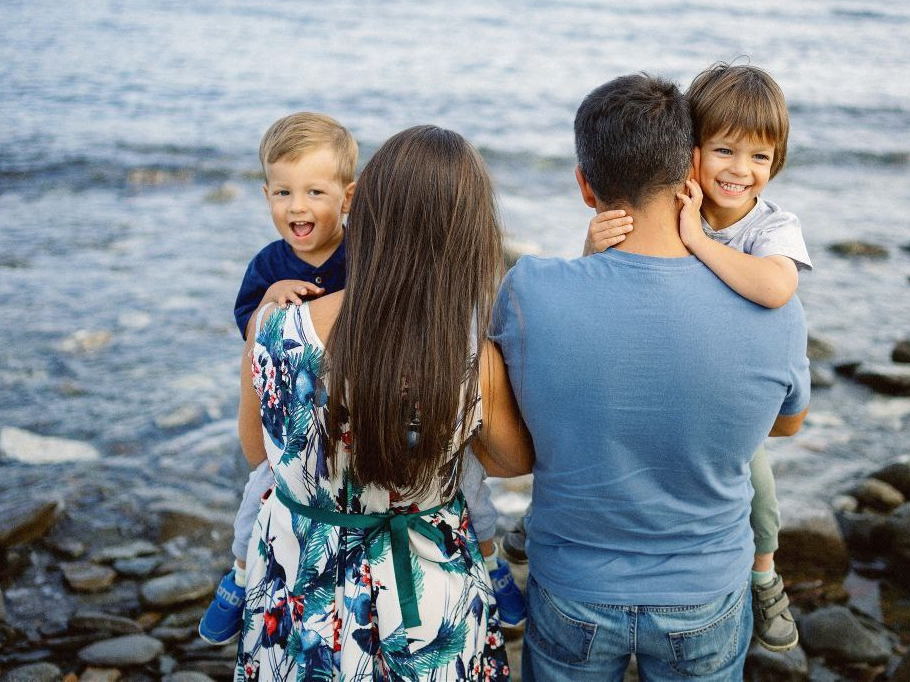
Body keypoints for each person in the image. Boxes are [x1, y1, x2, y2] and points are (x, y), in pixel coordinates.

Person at [491, 74, 810, 679]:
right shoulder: (777, 307)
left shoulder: (530, 289)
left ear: (586, 187)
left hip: (574, 584)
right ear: (688, 168)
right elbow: (787, 424)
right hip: (706, 590)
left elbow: (517, 435)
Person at [200, 113, 524, 644]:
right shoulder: (464, 344)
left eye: (313, 192)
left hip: (304, 593)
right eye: (282, 192)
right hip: (429, 605)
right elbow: (512, 461)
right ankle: (492, 567)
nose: (297, 206)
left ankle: (239, 582)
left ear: (356, 203)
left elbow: (258, 451)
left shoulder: (273, 324)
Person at [582, 62, 810, 652]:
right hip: (653, 368)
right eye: (725, 151)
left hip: (723, 393)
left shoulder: (771, 227)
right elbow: (600, 287)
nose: (741, 171)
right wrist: (593, 245)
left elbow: (777, 289)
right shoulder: (670, 205)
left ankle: (763, 576)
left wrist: (700, 244)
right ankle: (544, 524)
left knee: (757, 483)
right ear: (690, 153)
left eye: (761, 158)